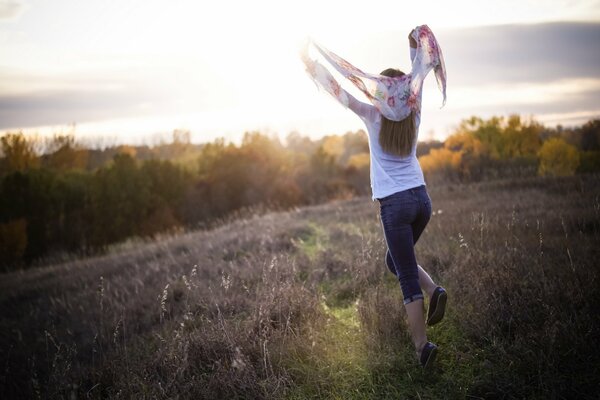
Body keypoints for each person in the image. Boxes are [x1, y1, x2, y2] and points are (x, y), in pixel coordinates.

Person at [300, 25, 448, 369]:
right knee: (396, 262)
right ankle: (435, 292)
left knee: (404, 274)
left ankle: (421, 347)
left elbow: (338, 89)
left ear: (382, 93)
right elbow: (419, 73)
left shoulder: (372, 114)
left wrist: (310, 64)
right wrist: (415, 42)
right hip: (422, 201)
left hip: (395, 206)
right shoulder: (414, 108)